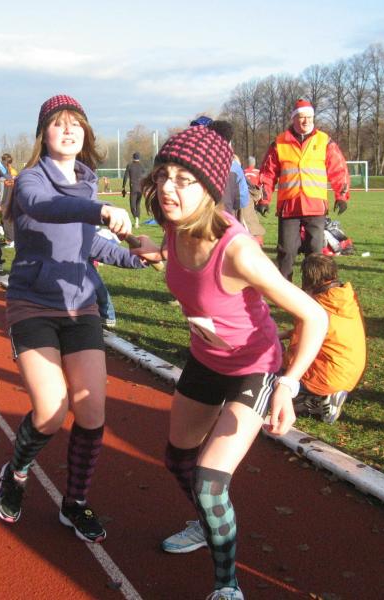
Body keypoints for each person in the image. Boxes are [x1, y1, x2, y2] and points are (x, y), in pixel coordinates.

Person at [131, 124, 327, 600]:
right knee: (178, 459)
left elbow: (315, 316)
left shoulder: (238, 252)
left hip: (254, 367)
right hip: (206, 358)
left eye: (184, 180)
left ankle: (227, 587)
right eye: (164, 175)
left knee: (209, 481)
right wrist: (151, 251)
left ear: (209, 187)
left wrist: (288, 385)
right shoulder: (175, 225)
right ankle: (207, 523)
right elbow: (182, 264)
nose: (168, 188)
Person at [0, 94, 144, 544]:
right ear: (43, 134)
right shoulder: (29, 181)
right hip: (33, 305)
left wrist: (136, 256)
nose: (68, 130)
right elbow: (46, 208)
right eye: (58, 124)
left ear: (86, 133)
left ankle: (74, 503)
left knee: (92, 412)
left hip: (80, 308)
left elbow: (87, 243)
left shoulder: (87, 183)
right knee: (51, 410)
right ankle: (17, 471)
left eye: (75, 123)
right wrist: (100, 210)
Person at [259, 98, 351, 281]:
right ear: (293, 118)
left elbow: (339, 170)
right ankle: (284, 290)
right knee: (286, 251)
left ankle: (314, 289)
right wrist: (264, 199)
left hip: (315, 206)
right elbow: (267, 174)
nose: (306, 120)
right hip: (289, 207)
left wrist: (341, 196)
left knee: (316, 253)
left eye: (309, 117)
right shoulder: (279, 143)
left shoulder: (325, 141)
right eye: (301, 117)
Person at [283, 253, 366, 424]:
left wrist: (280, 363)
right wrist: (285, 334)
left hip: (327, 376)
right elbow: (331, 332)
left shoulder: (312, 309)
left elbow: (297, 350)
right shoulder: (345, 298)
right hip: (349, 371)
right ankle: (325, 394)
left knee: (273, 385)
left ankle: (317, 401)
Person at [241, 156, 265, 244]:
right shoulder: (258, 172)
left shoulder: (243, 171)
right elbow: (261, 184)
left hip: (245, 195)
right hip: (255, 195)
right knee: (253, 215)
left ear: (248, 163)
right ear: (254, 163)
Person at [0, 153, 18, 247]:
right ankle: (9, 239)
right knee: (6, 220)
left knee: (7, 219)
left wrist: (0, 202)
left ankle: (10, 240)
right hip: (8, 199)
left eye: (4, 160)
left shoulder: (9, 172)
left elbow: (5, 188)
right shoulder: (9, 171)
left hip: (7, 199)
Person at [122, 151, 145, 227]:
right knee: (138, 205)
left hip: (133, 188)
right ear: (139, 158)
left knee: (132, 206)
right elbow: (144, 176)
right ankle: (137, 221)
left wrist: (123, 187)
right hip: (140, 188)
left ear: (133, 157)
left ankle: (136, 219)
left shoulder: (130, 165)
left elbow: (125, 177)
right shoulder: (141, 166)